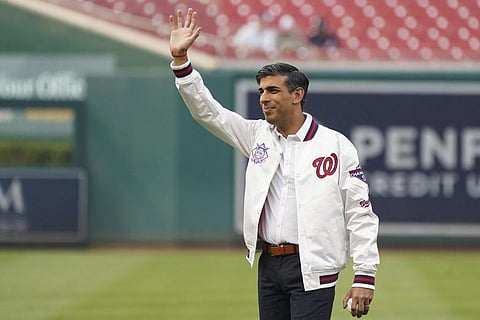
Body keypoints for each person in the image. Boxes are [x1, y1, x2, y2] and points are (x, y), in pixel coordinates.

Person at [169, 8, 379, 320]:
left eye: (273, 90)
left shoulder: (335, 145)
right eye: (261, 91)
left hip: (313, 266)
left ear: (297, 94)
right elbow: (209, 113)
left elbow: (359, 213)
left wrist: (364, 275)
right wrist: (181, 62)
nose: (264, 98)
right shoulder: (257, 136)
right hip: (269, 263)